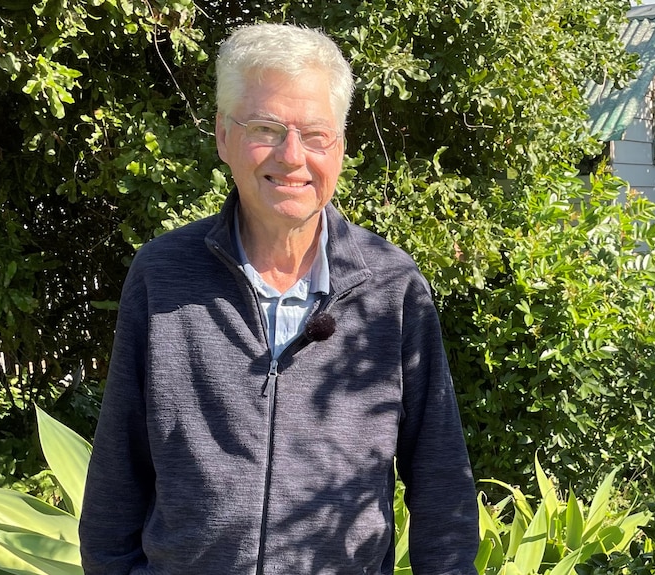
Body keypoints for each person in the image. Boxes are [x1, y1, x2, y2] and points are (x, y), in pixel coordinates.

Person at [79, 23, 479, 575]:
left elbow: (440, 483)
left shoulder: (391, 287)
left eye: (315, 134)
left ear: (339, 146)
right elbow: (118, 472)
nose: (292, 156)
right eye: (266, 128)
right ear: (223, 135)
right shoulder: (162, 276)